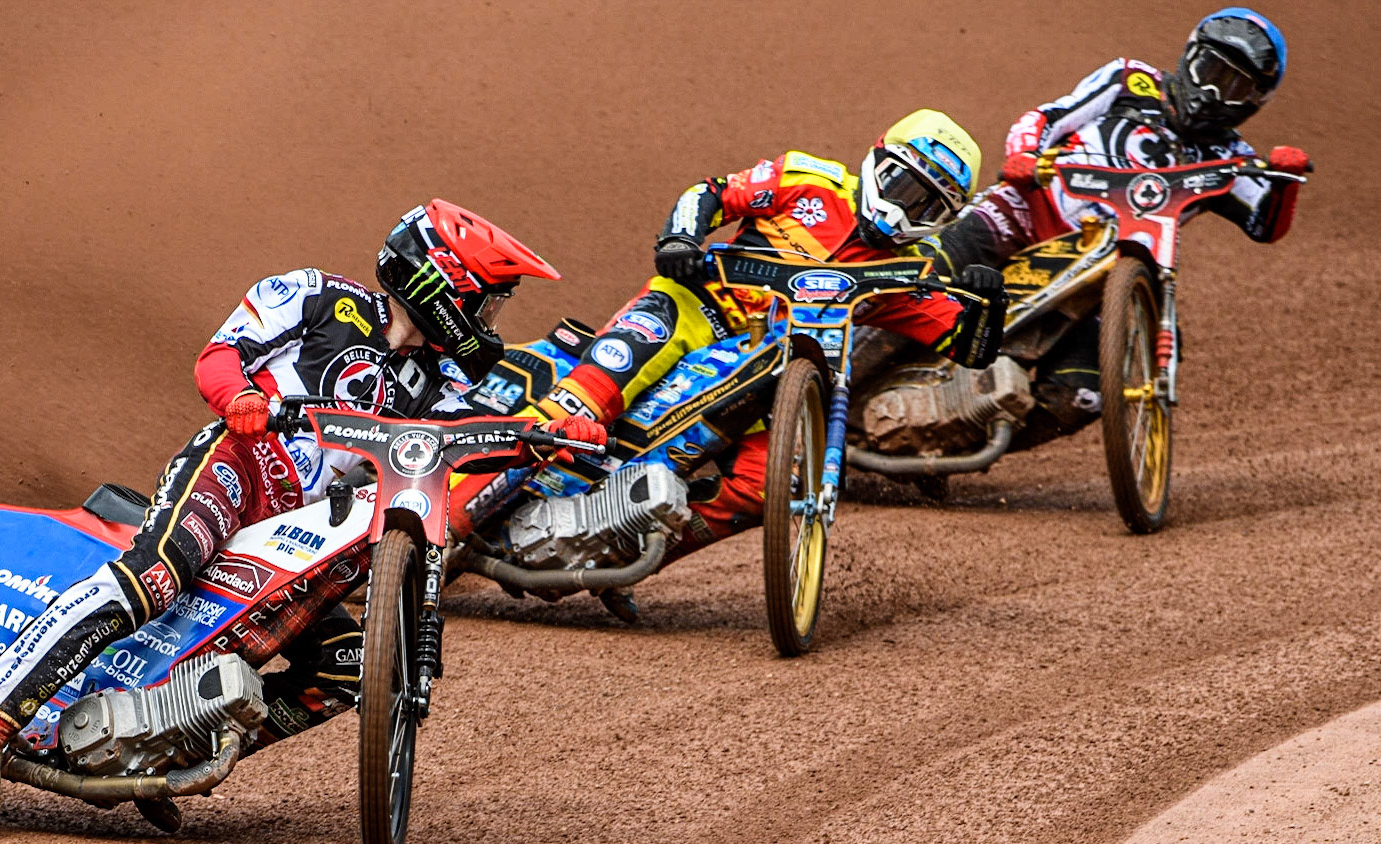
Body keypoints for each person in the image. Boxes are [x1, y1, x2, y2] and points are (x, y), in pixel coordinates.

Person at [0, 200, 594, 807]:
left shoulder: (439, 380)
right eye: (488, 302)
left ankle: (164, 753)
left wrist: (544, 436)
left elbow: (461, 446)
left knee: (348, 668)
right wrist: (239, 398)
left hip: (302, 527)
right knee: (155, 575)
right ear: (444, 287)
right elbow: (220, 355)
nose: (489, 322)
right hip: (239, 465)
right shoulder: (318, 295)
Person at [451, 110, 1006, 557]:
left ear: (945, 218)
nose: (906, 208)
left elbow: (969, 346)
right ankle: (446, 513)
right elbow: (712, 193)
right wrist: (681, 239)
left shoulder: (911, 271)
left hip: (775, 367)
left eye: (926, 204)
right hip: (691, 308)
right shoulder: (807, 179)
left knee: (769, 487)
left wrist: (989, 301)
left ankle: (619, 548)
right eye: (904, 186)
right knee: (587, 397)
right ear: (880, 161)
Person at [921, 7, 1310, 445]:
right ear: (1189, 56)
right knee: (928, 266)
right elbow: (1049, 116)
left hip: (1103, 280)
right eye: (1209, 70)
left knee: (1082, 395)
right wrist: (1024, 155)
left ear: (1254, 103)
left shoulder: (1233, 159)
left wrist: (1284, 182)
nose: (1212, 91)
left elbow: (1263, 224)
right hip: (1026, 213)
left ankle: (942, 442)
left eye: (1234, 86)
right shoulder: (1129, 81)